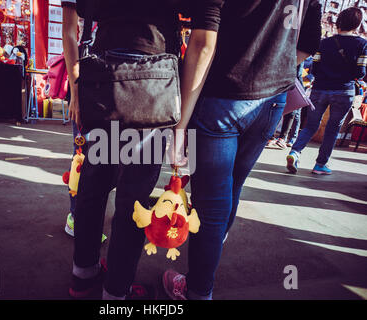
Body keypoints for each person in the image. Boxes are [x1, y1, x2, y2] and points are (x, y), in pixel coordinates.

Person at [163, 0, 322, 300]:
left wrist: (179, 126)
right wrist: (272, 66)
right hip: (271, 101)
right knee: (232, 188)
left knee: (210, 206)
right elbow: (308, 45)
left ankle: (197, 290)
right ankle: (207, 264)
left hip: (221, 97)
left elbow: (202, 44)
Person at [68, 0, 219, 300]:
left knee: (93, 185)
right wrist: (180, 126)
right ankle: (116, 292)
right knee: (133, 200)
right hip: (154, 80)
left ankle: (83, 275)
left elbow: (83, 11)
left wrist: (75, 89)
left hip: (104, 75)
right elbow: (200, 28)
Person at [287, 7, 367, 175]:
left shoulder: (323, 43)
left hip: (319, 89)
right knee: (332, 129)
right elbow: (361, 72)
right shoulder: (362, 44)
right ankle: (320, 165)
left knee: (310, 126)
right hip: (344, 91)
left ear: (339, 21)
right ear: (358, 24)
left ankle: (294, 152)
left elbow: (314, 68)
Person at [61, 0, 106, 241]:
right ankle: (77, 217)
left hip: (126, 82)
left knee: (120, 162)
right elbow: (69, 32)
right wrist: (76, 91)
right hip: (88, 82)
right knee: (85, 158)